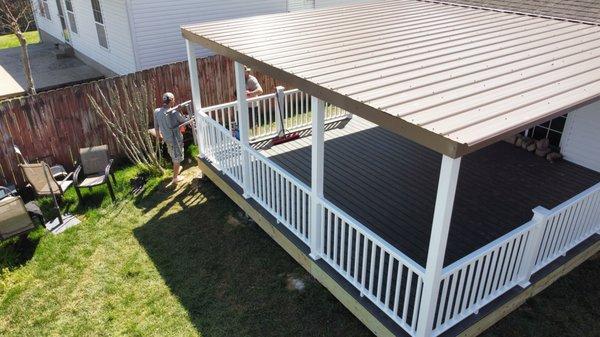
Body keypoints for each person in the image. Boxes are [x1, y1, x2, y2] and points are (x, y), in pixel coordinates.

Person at [153, 92, 189, 186]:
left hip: (166, 138)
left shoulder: (156, 111)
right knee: (177, 158)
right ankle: (175, 178)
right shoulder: (174, 112)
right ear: (172, 100)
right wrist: (180, 110)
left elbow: (156, 126)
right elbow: (184, 121)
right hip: (175, 139)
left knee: (173, 154)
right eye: (174, 99)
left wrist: (158, 136)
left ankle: (176, 168)